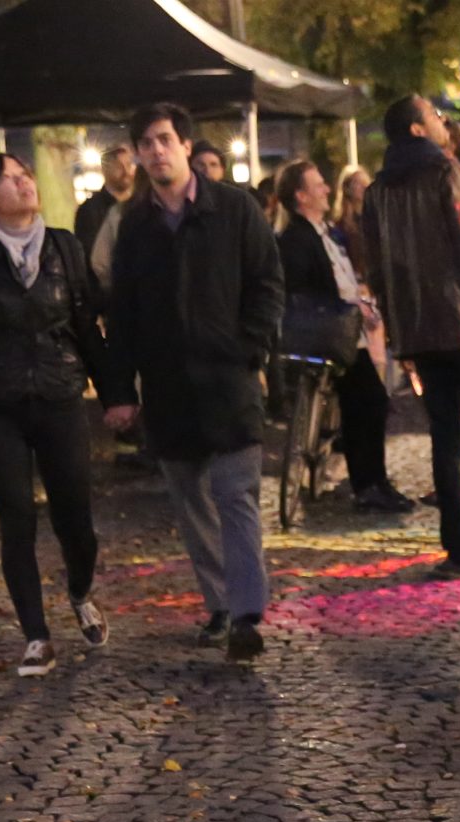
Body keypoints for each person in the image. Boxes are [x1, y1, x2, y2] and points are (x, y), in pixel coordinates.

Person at [101, 102, 285, 664]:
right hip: (169, 386)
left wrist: (248, 346)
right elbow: (124, 313)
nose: (155, 151)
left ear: (185, 146)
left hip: (228, 380)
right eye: (145, 143)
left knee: (236, 496)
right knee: (191, 503)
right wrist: (119, 391)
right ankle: (221, 605)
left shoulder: (233, 209)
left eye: (163, 140)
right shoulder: (135, 228)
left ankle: (247, 614)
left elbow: (266, 282)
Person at [0, 153, 112, 678]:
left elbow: (86, 326)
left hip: (61, 397)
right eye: (9, 180)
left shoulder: (64, 245)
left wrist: (114, 395)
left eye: (24, 176)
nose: (23, 184)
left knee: (76, 521)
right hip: (1, 406)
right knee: (17, 519)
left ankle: (80, 591)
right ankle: (36, 636)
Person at [359, 95, 460, 575]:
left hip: (417, 328)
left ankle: (457, 547)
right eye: (433, 114)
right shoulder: (445, 172)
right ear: (415, 129)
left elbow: (377, 266)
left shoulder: (376, 192)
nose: (441, 121)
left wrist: (396, 327)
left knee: (444, 438)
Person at [275, 158, 411, 515]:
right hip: (331, 338)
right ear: (301, 196)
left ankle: (374, 480)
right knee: (369, 401)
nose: (326, 189)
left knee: (372, 401)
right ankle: (368, 483)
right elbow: (307, 293)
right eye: (318, 184)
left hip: (347, 331)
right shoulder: (298, 239)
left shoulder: (322, 233)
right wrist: (350, 307)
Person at [75, 143, 136, 294]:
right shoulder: (90, 210)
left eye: (129, 164)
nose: (126, 171)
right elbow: (90, 259)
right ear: (105, 169)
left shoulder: (140, 204)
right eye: (118, 165)